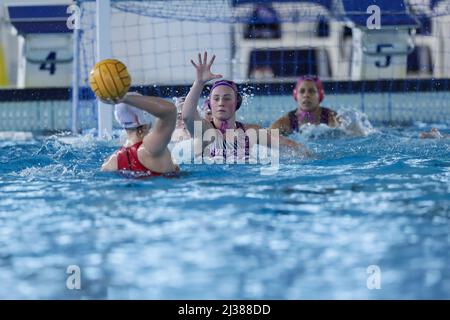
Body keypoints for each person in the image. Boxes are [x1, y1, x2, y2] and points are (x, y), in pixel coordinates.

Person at [182, 52, 308, 160]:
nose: (221, 103)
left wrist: (310, 157)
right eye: (216, 99)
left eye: (227, 98)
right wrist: (199, 83)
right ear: (209, 104)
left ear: (237, 102)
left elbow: (288, 145)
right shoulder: (206, 130)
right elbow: (187, 116)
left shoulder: (250, 132)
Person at [101, 92, 179, 175]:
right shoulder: (151, 147)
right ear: (144, 115)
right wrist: (125, 98)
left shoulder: (111, 163)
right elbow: (170, 110)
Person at [270, 75, 339, 136]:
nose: (306, 95)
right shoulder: (286, 121)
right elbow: (265, 138)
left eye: (311, 91)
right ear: (295, 95)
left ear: (320, 95)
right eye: (302, 91)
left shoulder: (331, 117)